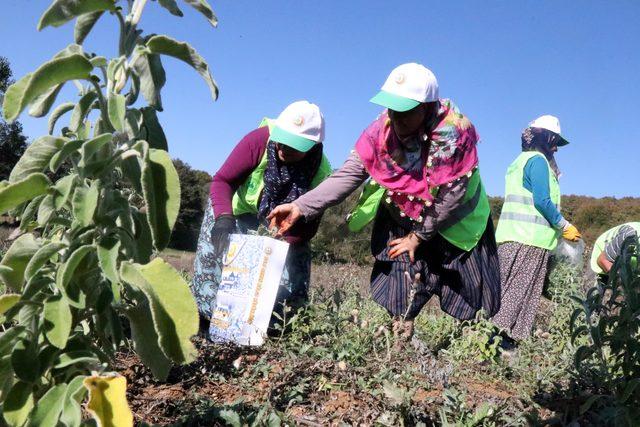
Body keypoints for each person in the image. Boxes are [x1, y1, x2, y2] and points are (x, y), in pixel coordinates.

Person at [268, 63, 501, 341]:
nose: (396, 118)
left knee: (472, 288)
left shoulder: (454, 133)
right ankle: (399, 341)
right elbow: (350, 172)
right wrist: (301, 206)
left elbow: (453, 195)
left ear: (426, 107)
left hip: (455, 219)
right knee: (401, 271)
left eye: (405, 111)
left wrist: (420, 236)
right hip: (405, 211)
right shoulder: (382, 129)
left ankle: (476, 346)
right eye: (392, 108)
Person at [191, 100, 332, 335]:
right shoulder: (259, 140)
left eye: (293, 146)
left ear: (312, 146)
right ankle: (206, 322)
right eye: (281, 140)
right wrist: (223, 218)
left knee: (288, 275)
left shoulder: (321, 173)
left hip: (283, 229)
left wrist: (280, 243)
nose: (282, 149)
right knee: (214, 257)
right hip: (234, 211)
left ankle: (278, 329)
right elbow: (222, 181)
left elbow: (309, 228)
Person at [491, 115, 581, 347]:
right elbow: (542, 200)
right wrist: (565, 226)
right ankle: (500, 345)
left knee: (504, 291)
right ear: (545, 137)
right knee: (518, 296)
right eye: (554, 141)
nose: (556, 148)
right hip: (529, 239)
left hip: (511, 236)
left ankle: (492, 341)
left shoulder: (520, 161)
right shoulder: (538, 161)